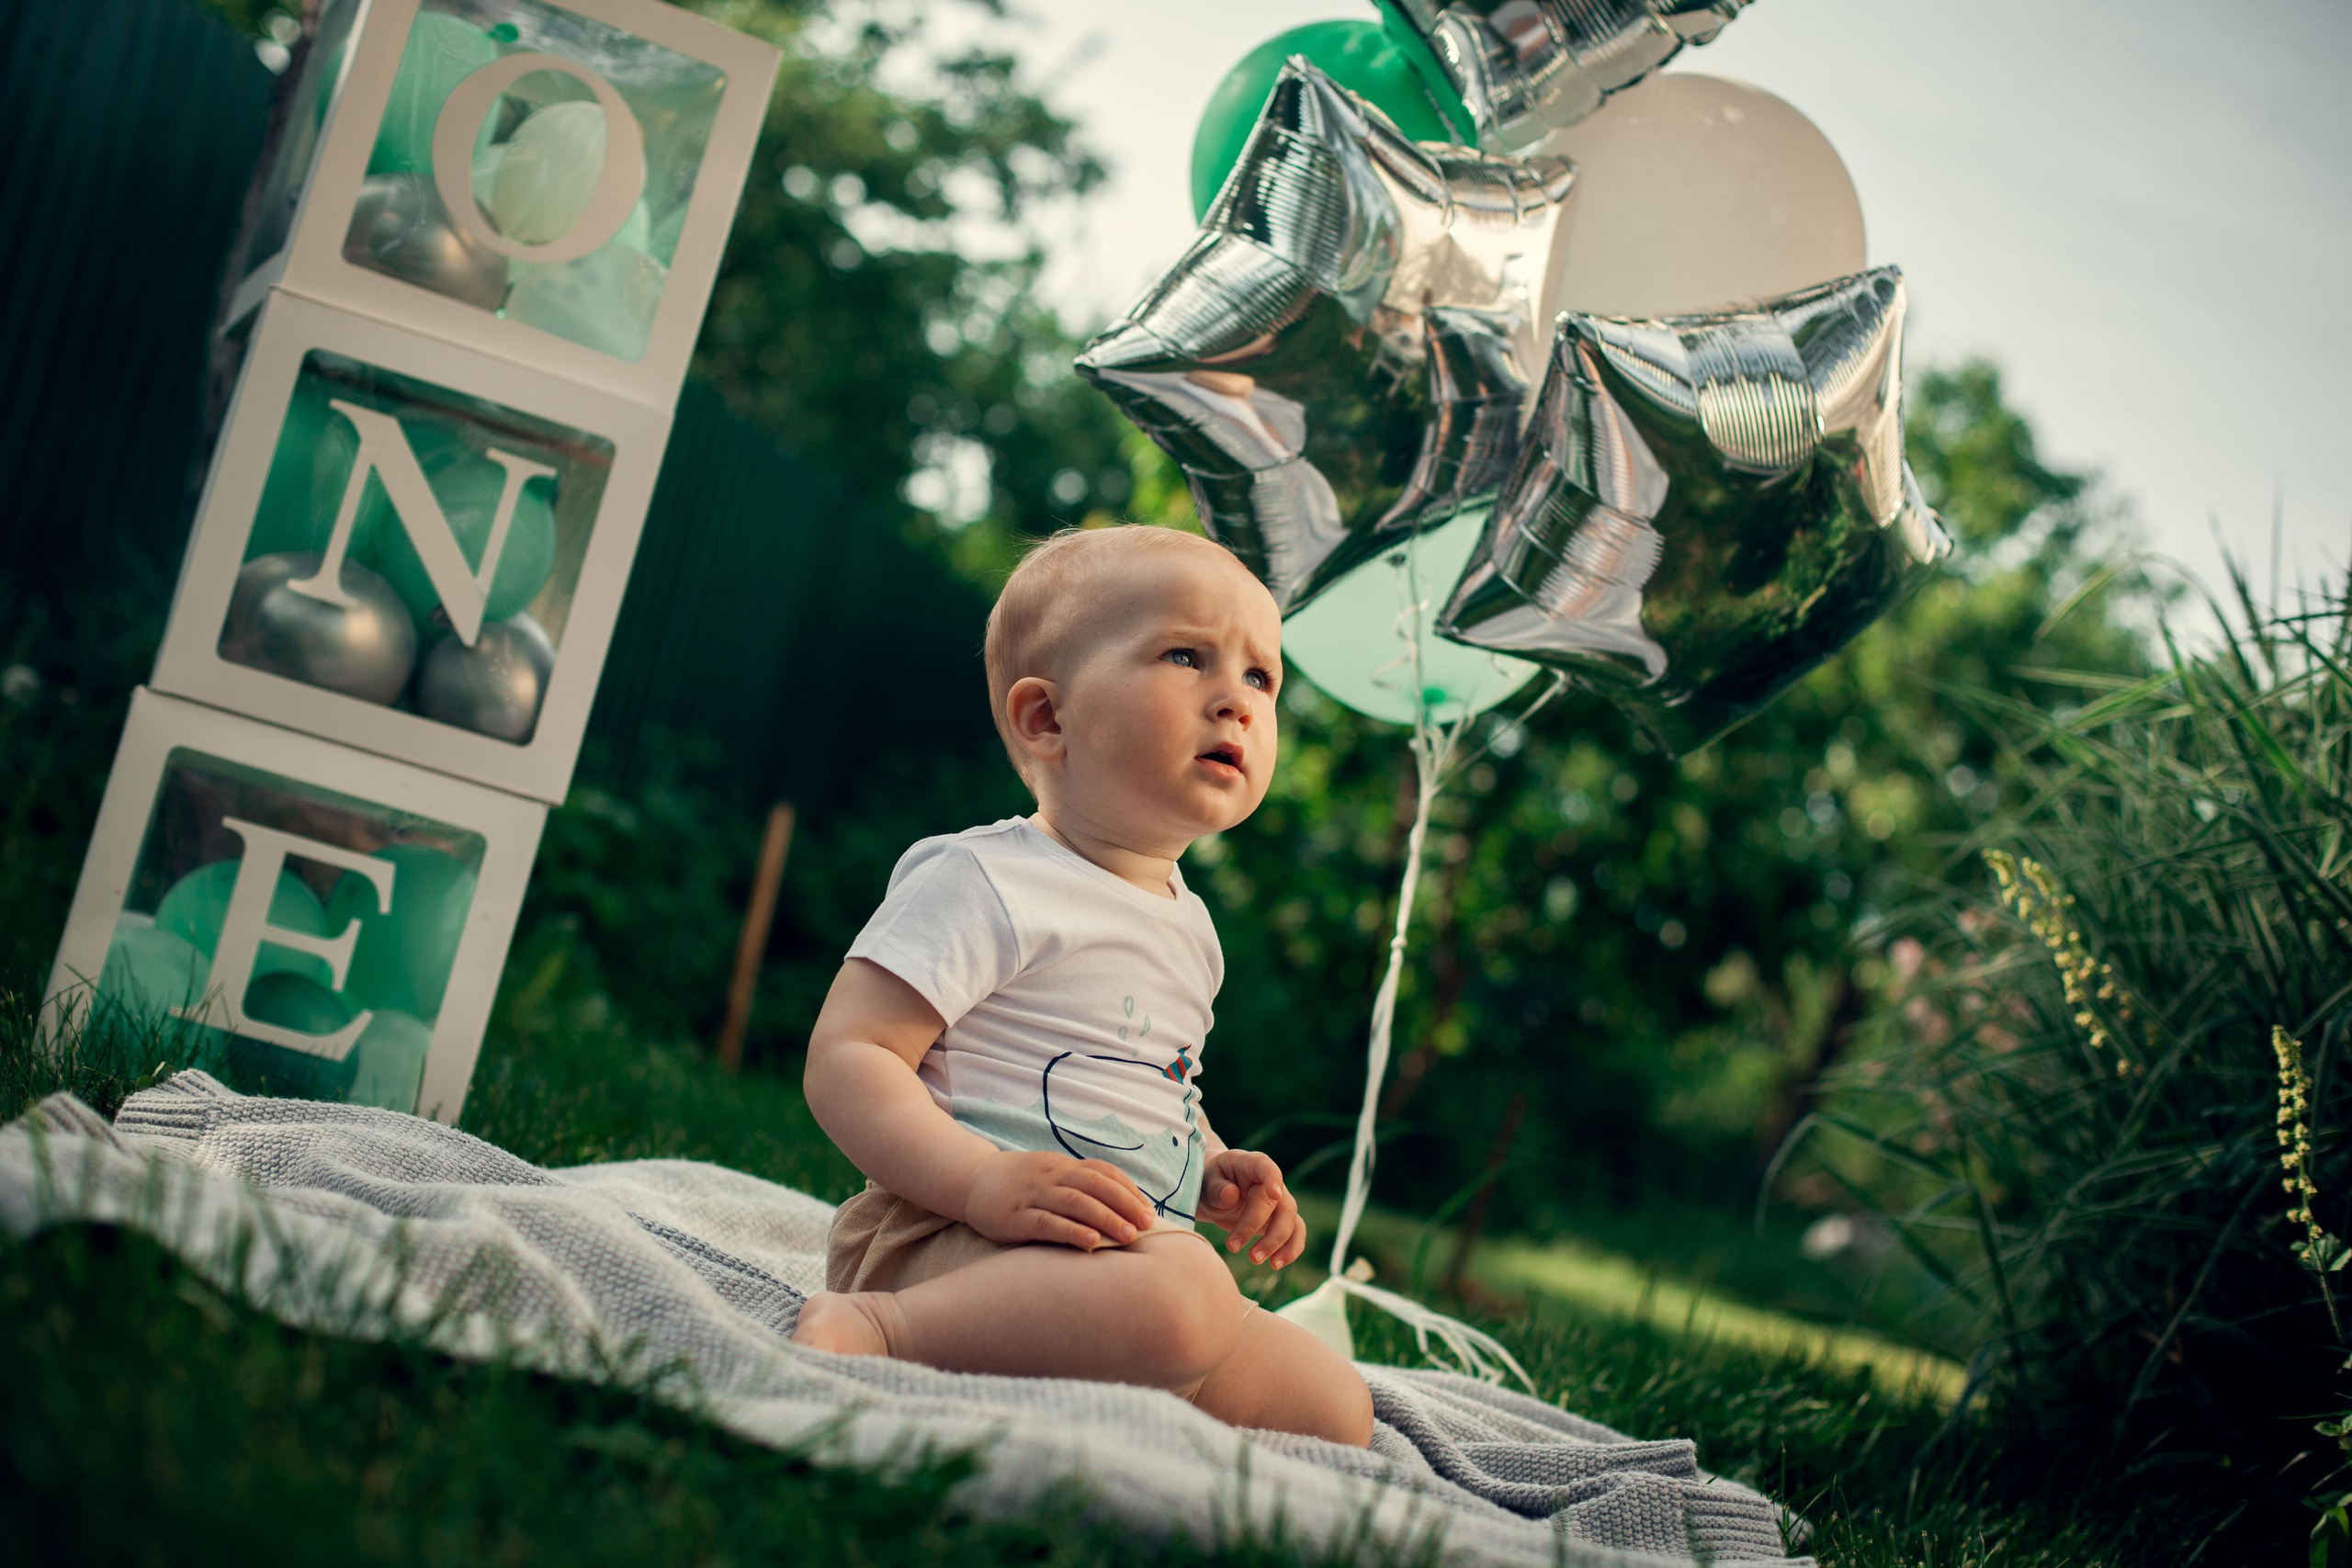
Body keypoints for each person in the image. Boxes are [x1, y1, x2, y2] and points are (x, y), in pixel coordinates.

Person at [789, 525, 1375, 1446]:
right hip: (944, 1241)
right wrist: (981, 1183)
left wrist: (1211, 1163)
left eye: (1262, 678)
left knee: (1334, 1408)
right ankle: (878, 1333)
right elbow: (848, 1056)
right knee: (1188, 1298)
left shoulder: (1189, 927)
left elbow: (1155, 1088)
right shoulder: (987, 879)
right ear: (1046, 720)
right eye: (1187, 655)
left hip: (1114, 1260)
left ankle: (1117, 1361)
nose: (1236, 700)